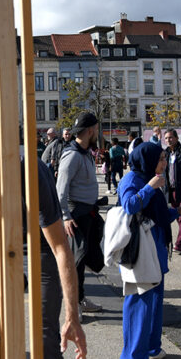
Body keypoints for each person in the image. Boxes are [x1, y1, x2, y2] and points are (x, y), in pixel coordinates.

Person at [0, 132, 87, 359]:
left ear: (4, 160)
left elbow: (61, 249)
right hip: (9, 249)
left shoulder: (32, 175)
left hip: (43, 251)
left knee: (44, 339)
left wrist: (72, 318)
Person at [118, 142, 181, 359]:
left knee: (155, 303)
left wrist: (176, 211)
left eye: (164, 158)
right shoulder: (132, 179)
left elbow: (156, 214)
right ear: (147, 159)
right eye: (160, 158)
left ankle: (152, 347)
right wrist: (150, 187)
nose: (164, 162)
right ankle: (132, 354)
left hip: (156, 249)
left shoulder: (153, 177)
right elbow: (129, 206)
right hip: (140, 252)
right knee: (139, 304)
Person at [56, 111, 104, 313]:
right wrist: (66, 217)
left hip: (88, 214)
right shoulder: (73, 155)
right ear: (91, 130)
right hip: (76, 216)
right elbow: (60, 190)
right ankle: (72, 306)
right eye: (97, 129)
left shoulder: (86, 152)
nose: (98, 132)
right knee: (75, 262)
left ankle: (80, 299)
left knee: (84, 260)